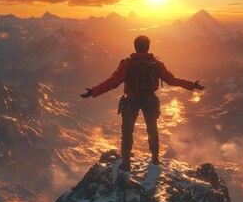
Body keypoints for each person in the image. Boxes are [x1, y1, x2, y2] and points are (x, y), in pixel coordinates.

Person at [80, 35, 205, 171]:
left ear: (135, 47)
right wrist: (192, 85)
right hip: (150, 100)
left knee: (127, 132)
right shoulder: (156, 64)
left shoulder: (127, 64)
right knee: (152, 129)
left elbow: (113, 82)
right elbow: (171, 80)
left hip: (130, 101)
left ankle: (126, 163)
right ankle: (155, 159)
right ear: (148, 47)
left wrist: (93, 92)